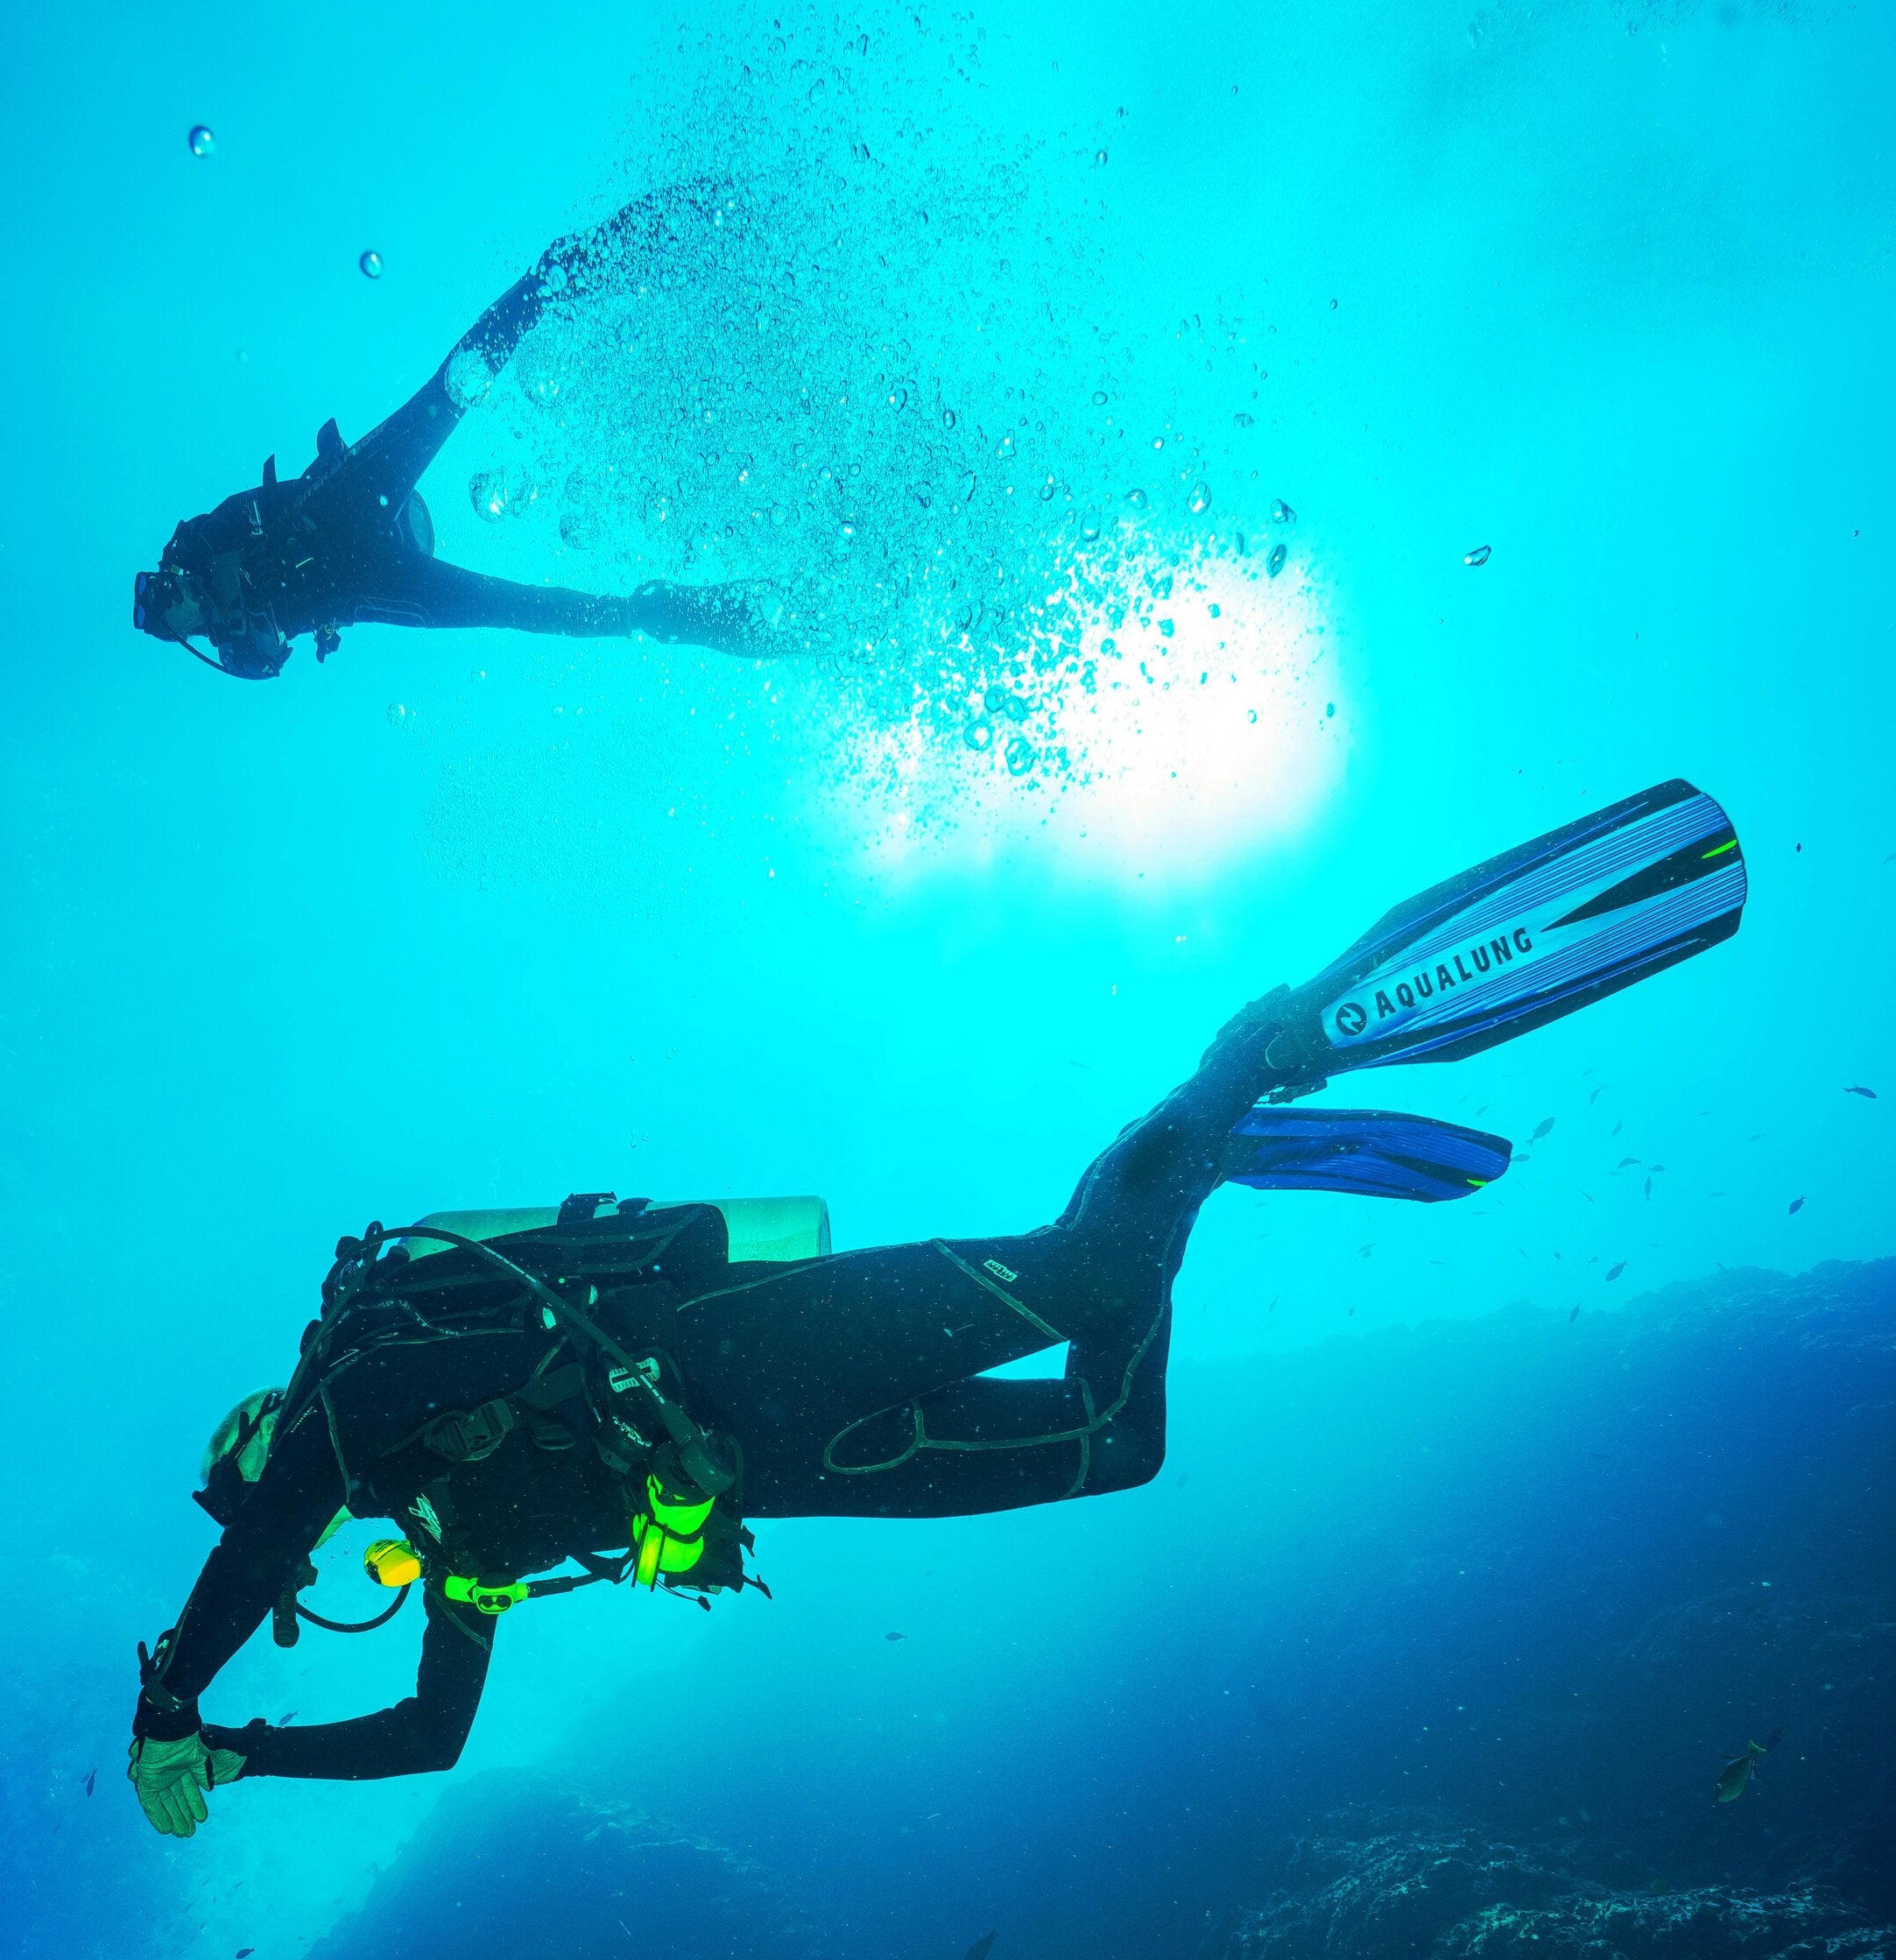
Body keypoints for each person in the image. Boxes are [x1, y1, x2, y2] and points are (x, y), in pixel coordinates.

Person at [128, 779, 1747, 1834]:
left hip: (741, 1344)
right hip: (789, 1470)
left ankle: (1235, 1068)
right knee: (1122, 1443)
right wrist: (240, 1748)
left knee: (1082, 1270)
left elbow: (267, 1527)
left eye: (257, 1452)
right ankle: (1211, 1158)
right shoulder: (452, 1532)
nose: (291, 1499)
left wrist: (164, 1698)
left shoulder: (369, 1372)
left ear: (274, 1413)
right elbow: (431, 1734)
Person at [131, 187, 773, 679]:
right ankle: (670, 615)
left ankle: (556, 279)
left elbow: (247, 512)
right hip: (365, 584)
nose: (178, 601)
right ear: (182, 633)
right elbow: (268, 664)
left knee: (447, 393)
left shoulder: (191, 543)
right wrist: (240, 621)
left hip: (330, 511)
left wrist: (213, 572)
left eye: (167, 595)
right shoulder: (224, 646)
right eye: (174, 615)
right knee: (514, 608)